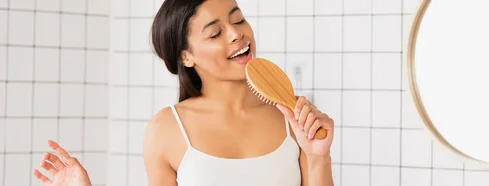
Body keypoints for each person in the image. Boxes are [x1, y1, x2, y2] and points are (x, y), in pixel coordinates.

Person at [31, 0, 335, 185]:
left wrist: (317, 156)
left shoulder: (291, 116)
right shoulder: (167, 128)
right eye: (215, 33)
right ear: (186, 57)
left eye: (238, 18)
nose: (236, 33)